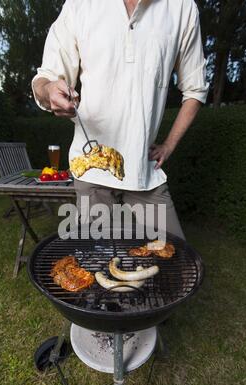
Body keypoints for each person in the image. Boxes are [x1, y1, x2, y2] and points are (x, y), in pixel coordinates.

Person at [32, 0, 209, 240]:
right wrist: (50, 89)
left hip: (144, 170)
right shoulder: (79, 5)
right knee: (94, 263)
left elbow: (196, 89)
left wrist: (169, 144)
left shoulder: (182, 7)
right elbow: (46, 78)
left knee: (176, 260)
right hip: (91, 169)